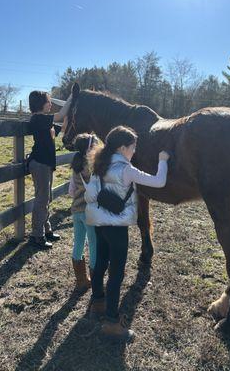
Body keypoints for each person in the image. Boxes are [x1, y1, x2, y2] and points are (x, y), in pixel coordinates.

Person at [84, 126, 170, 342]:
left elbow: (90, 194)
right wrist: (163, 160)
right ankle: (112, 323)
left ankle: (98, 302)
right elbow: (159, 181)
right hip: (117, 227)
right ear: (122, 148)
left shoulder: (99, 164)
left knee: (101, 262)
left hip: (99, 223)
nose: (134, 152)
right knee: (117, 273)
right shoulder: (127, 169)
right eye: (133, 148)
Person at [28, 90, 72, 249]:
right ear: (41, 104)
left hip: (45, 164)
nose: (51, 104)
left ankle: (46, 230)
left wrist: (71, 111)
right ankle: (36, 236)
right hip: (39, 163)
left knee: (46, 198)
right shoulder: (38, 118)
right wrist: (71, 97)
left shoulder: (45, 121)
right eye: (48, 102)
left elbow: (63, 126)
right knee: (42, 199)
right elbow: (60, 115)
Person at [68, 133, 98, 292]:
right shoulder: (93, 167)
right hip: (90, 213)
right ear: (91, 149)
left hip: (76, 210)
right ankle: (94, 278)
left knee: (78, 242)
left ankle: (80, 280)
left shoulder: (76, 166)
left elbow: (71, 191)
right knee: (94, 244)